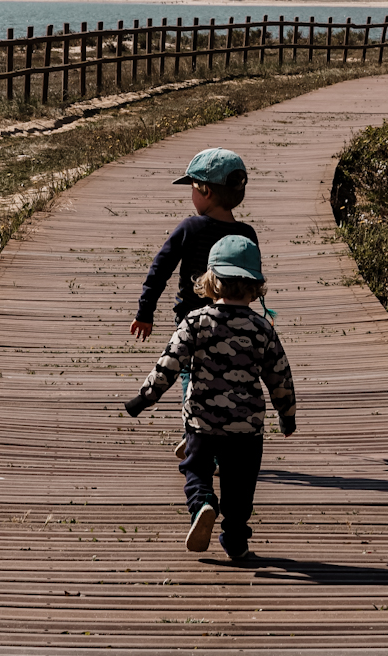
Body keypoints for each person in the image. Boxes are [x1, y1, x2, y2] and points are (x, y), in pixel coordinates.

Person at [122, 235, 296, 561]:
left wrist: (144, 398)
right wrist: (287, 415)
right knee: (240, 487)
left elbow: (170, 363)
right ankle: (235, 538)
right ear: (256, 286)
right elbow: (279, 376)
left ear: (211, 281)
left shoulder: (196, 321)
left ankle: (202, 503)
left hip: (202, 421)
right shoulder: (262, 328)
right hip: (246, 428)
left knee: (197, 470)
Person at [130, 147, 256, 342]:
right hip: (237, 324)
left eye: (192, 188)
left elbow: (160, 268)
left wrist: (145, 312)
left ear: (206, 192)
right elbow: (253, 283)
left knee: (191, 368)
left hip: (191, 325)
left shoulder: (191, 228)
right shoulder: (247, 235)